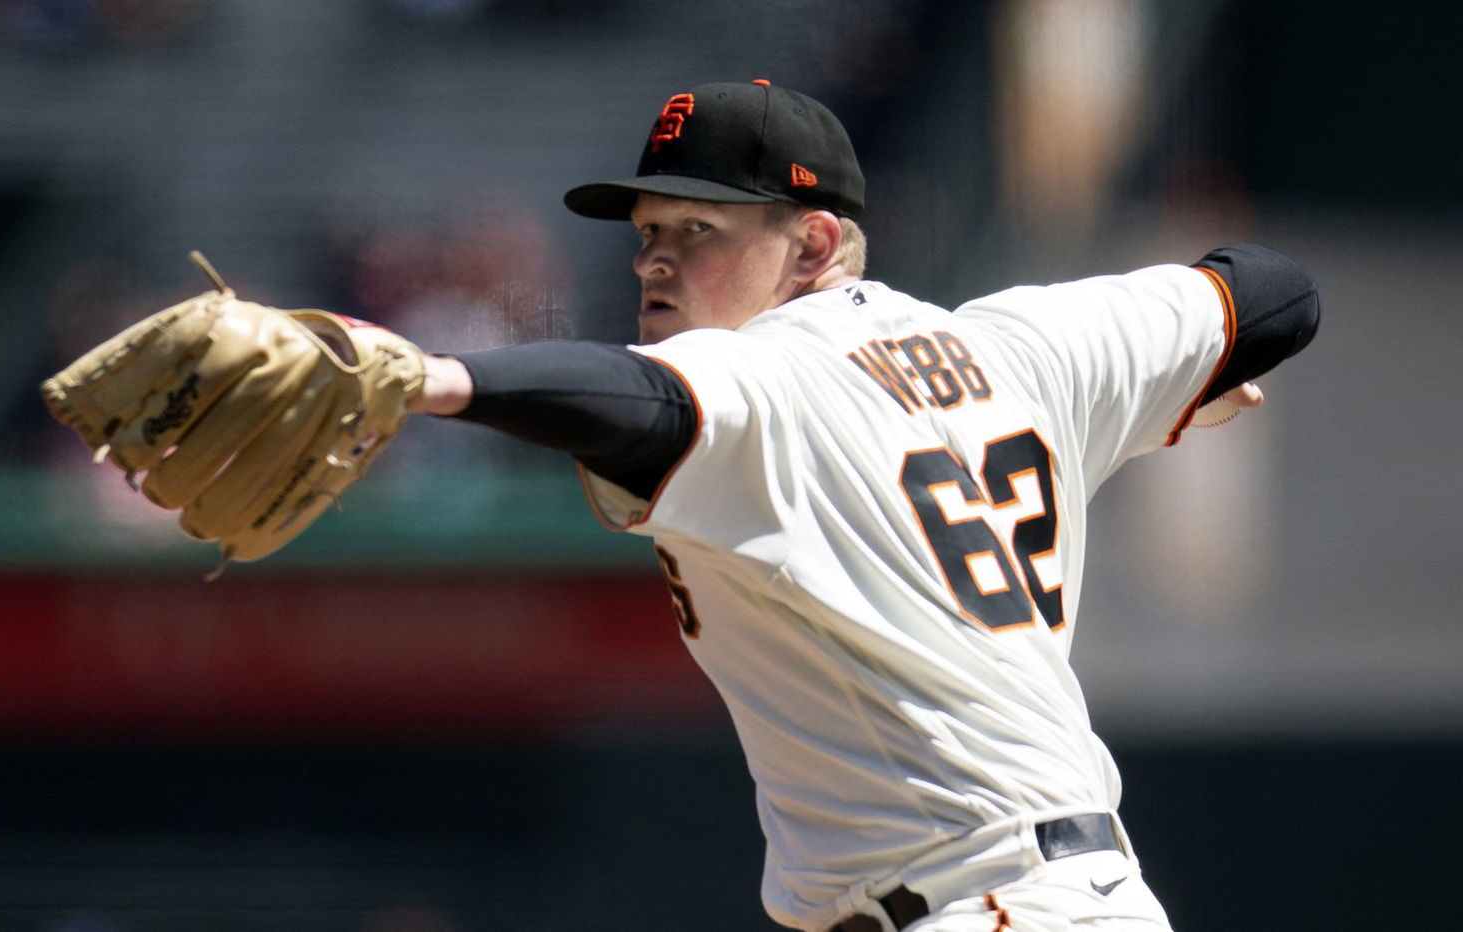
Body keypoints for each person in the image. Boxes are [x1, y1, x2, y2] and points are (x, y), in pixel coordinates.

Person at [407, 80, 1319, 931]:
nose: (654, 261)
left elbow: (631, 398)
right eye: (647, 231)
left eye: (697, 228)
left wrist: (435, 378)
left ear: (813, 246)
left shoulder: (769, 373)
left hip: (980, 900)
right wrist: (1198, 376)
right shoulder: (1020, 346)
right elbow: (1274, 292)